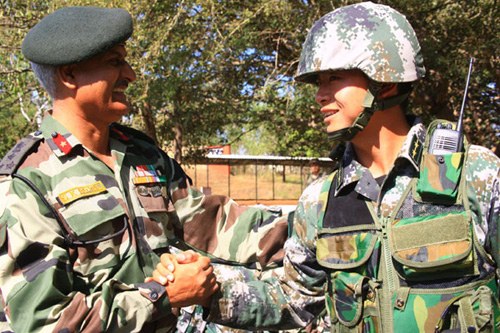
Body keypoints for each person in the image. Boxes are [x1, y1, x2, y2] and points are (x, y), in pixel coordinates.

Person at [155, 2, 499, 332]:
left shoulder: (475, 177)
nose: (320, 95)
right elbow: (292, 299)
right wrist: (209, 289)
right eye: (319, 82)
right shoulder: (320, 201)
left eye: (334, 78)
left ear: (385, 81)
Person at [0, 6, 288, 332]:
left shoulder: (142, 156)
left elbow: (214, 223)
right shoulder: (25, 183)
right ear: (69, 75)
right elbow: (44, 321)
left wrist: (310, 233)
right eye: (114, 62)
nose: (130, 74)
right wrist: (161, 295)